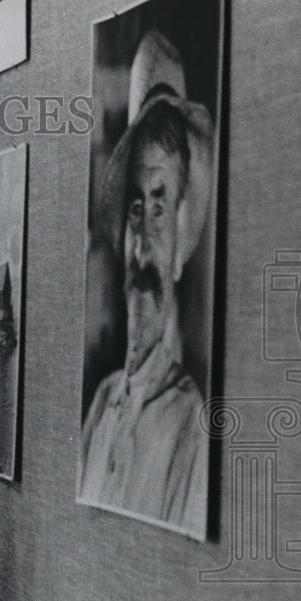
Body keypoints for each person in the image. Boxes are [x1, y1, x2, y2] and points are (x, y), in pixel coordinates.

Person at [79, 30, 214, 539]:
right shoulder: (101, 405)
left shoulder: (190, 424)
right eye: (135, 209)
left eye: (158, 208)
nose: (141, 248)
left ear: (181, 237)